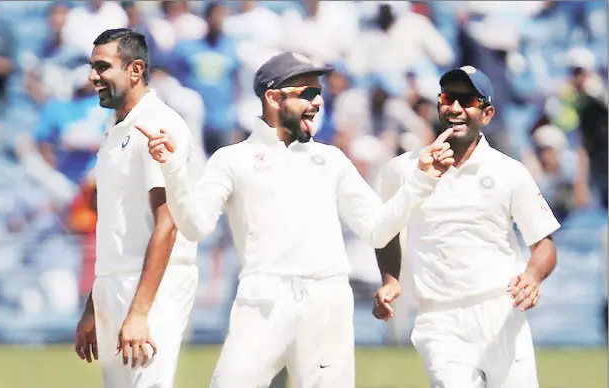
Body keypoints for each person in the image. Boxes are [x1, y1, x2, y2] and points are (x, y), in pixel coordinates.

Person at [137, 52, 455, 388]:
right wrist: (173, 171)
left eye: (319, 93)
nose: (318, 101)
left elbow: (377, 229)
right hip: (262, 301)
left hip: (327, 301)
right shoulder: (233, 159)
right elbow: (194, 225)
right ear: (273, 97)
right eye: (306, 93)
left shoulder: (330, 159)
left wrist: (422, 180)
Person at [373, 66, 561, 388]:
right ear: (438, 105)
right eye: (448, 98)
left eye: (467, 100)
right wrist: (390, 279)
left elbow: (544, 244)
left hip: (502, 313)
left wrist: (531, 276)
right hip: (439, 319)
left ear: (486, 114)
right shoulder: (402, 170)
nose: (456, 109)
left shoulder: (509, 172)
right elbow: (385, 230)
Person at [74, 28, 198, 388]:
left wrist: (140, 312)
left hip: (153, 287)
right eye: (92, 66)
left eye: (102, 67)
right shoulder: (115, 130)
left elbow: (168, 223)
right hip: (115, 283)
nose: (92, 76)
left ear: (135, 69)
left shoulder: (159, 124)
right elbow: (117, 227)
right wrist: (93, 306)